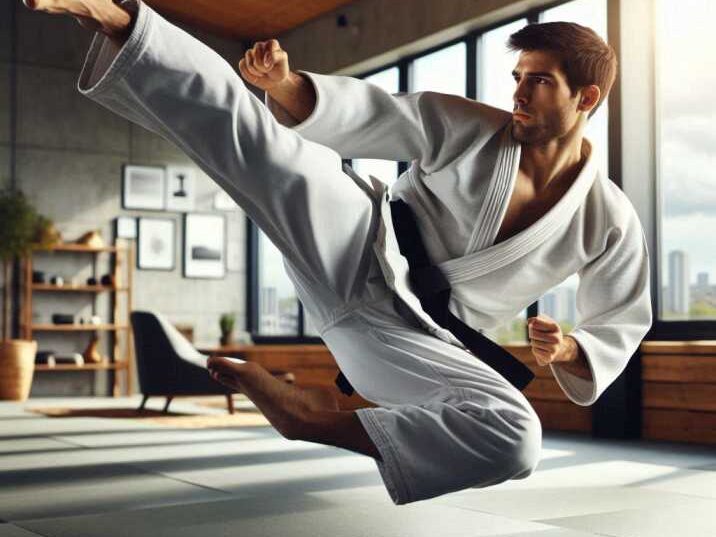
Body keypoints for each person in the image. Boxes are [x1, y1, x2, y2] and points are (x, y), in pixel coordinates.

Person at [22, 0, 652, 506]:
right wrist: (285, 84)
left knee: (517, 437)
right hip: (359, 242)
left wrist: (571, 349)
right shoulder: (467, 127)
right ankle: (118, 18)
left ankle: (310, 418)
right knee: (260, 143)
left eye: (538, 82)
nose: (517, 93)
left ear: (585, 99)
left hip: (415, 341)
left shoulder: (610, 218)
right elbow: (377, 114)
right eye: (516, 77)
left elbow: (621, 316)